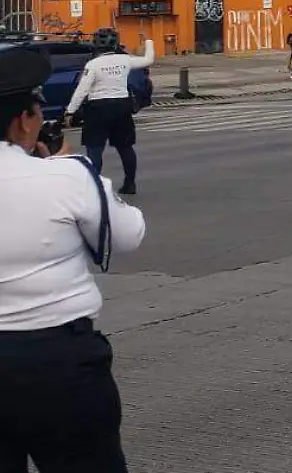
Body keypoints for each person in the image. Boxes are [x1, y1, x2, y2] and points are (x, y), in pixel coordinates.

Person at [0, 46, 147, 471]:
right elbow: (129, 233)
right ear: (24, 119)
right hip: (58, 366)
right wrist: (68, 165)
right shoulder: (66, 175)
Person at [68, 38, 154, 196]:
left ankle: (95, 187)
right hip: (121, 106)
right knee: (125, 147)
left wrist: (70, 111)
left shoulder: (93, 65)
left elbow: (82, 90)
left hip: (97, 108)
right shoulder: (125, 60)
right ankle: (130, 183)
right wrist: (148, 42)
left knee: (94, 148)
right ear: (115, 45)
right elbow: (149, 60)